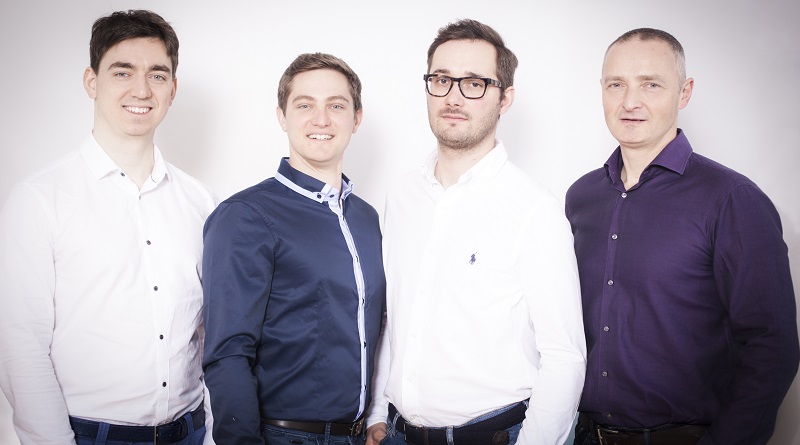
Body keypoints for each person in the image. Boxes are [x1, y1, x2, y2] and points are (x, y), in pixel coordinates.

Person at [566, 27, 799, 445]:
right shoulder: (581, 197)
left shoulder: (732, 199)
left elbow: (772, 346)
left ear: (684, 92)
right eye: (616, 84)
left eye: (651, 84)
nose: (630, 101)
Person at [0, 9, 217, 445]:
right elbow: (21, 346)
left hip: (191, 431)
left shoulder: (201, 201)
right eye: (123, 72)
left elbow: (207, 334)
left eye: (157, 75)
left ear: (172, 90)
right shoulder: (40, 199)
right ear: (91, 82)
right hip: (89, 436)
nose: (142, 89)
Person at [365, 19, 587, 445]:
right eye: (441, 80)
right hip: (396, 433)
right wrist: (377, 411)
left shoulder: (534, 210)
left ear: (505, 98)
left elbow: (564, 356)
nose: (453, 97)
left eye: (474, 84)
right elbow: (396, 318)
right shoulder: (402, 195)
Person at [201, 52, 385, 445]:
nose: (321, 120)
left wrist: (376, 416)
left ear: (356, 118)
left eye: (336, 105)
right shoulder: (245, 216)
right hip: (284, 437)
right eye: (305, 105)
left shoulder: (367, 219)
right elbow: (228, 354)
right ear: (282, 116)